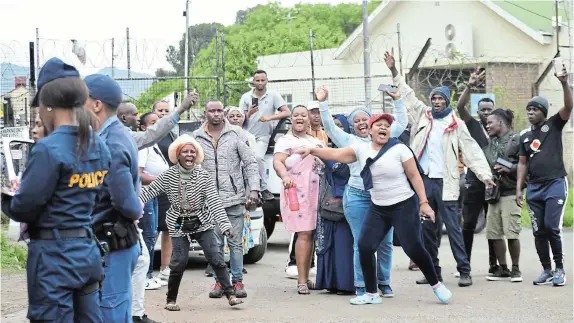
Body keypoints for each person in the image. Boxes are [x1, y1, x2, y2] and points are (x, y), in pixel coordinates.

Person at [294, 111, 453, 305]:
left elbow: (414, 176)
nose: (383, 127)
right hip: (379, 207)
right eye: (378, 125)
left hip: (403, 205)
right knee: (365, 246)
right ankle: (371, 293)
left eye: (387, 125)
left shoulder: (399, 149)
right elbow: (335, 154)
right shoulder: (361, 150)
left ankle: (437, 285)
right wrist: (312, 150)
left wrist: (424, 203)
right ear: (369, 131)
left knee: (414, 248)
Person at [1, 57, 110, 322]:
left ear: (47, 105)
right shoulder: (99, 146)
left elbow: (24, 208)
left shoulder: (48, 149)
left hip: (54, 258)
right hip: (86, 252)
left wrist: (7, 196)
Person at [385, 48, 494, 287]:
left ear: (446, 101)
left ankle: (464, 271)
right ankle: (433, 271)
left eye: (440, 99)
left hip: (446, 183)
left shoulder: (454, 123)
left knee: (453, 230)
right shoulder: (424, 116)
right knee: (428, 231)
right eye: (433, 98)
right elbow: (407, 94)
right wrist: (393, 69)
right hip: (424, 183)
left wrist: (485, 175)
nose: (436, 102)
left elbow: (472, 150)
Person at [314, 85, 408, 298]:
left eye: (364, 119)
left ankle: (384, 282)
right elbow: (328, 126)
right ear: (352, 126)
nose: (360, 123)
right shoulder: (349, 141)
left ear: (373, 122)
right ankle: (362, 285)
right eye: (355, 121)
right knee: (362, 242)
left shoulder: (384, 137)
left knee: (385, 242)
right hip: (357, 196)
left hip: (384, 196)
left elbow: (401, 123)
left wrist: (398, 99)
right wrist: (323, 102)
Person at [139, 134, 243, 310]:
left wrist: (225, 226)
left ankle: (231, 294)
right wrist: (133, 205)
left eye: (192, 152)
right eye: (185, 152)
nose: (189, 155)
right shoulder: (168, 175)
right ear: (178, 155)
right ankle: (171, 300)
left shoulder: (203, 176)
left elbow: (214, 202)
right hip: (178, 222)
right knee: (178, 262)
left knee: (216, 258)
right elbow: (148, 192)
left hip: (203, 221)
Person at [84, 74, 143, 321]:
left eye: (80, 101)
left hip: (114, 241)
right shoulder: (112, 135)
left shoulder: (111, 143)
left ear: (96, 105)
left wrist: (136, 210)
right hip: (114, 240)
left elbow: (125, 203)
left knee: (112, 312)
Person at [192, 100, 260, 299]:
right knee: (215, 245)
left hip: (234, 198)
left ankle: (237, 281)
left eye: (219, 110)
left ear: (224, 112)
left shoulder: (237, 134)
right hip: (209, 201)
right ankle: (221, 282)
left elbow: (250, 163)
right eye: (211, 110)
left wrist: (253, 189)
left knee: (235, 243)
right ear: (205, 113)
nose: (216, 114)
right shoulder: (197, 137)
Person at [516, 66, 572, 286]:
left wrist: (564, 83)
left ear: (544, 112)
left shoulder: (554, 125)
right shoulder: (525, 136)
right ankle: (547, 269)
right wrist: (520, 188)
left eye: (535, 109)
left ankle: (559, 268)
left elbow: (569, 106)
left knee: (551, 226)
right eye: (528, 109)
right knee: (538, 231)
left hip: (555, 183)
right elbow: (522, 163)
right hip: (535, 188)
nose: (530, 112)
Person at [273, 104, 325, 295]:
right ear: (292, 119)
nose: (300, 118)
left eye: (304, 115)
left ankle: (309, 276)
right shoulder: (285, 140)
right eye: (296, 115)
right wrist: (284, 176)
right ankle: (301, 281)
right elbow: (277, 161)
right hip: (298, 191)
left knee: (311, 234)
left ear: (309, 118)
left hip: (319, 191)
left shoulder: (315, 140)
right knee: (304, 233)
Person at [456, 67, 499, 276]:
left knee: (493, 227)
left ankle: (494, 265)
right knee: (469, 224)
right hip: (474, 182)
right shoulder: (471, 125)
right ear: (477, 111)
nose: (486, 113)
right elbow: (459, 106)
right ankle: (464, 265)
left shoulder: (501, 128)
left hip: (494, 184)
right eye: (482, 109)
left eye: (489, 109)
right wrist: (469, 86)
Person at [314, 113, 354, 295]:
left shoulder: (353, 149)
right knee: (328, 243)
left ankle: (346, 284)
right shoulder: (327, 148)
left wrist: (325, 157)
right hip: (327, 203)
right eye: (333, 126)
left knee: (344, 244)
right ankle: (330, 282)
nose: (336, 130)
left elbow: (340, 170)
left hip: (345, 205)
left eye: (340, 126)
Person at [482, 109, 522, 282]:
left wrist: (510, 168)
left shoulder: (517, 140)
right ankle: (503, 268)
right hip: (493, 194)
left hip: (510, 191)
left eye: (490, 122)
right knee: (494, 232)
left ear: (501, 122)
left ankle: (516, 269)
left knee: (511, 232)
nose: (487, 125)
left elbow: (526, 164)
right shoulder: (490, 143)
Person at [239, 69, 291, 201]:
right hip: (246, 135)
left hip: (263, 135)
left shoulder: (273, 95)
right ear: (253, 81)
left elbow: (287, 112)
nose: (260, 83)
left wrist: (270, 118)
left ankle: (262, 188)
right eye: (258, 80)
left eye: (263, 80)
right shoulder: (246, 97)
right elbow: (238, 118)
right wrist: (248, 113)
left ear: (267, 81)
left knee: (257, 157)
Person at [137, 112, 170, 290]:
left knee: (153, 232)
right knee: (148, 236)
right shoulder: (144, 147)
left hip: (154, 194)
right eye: (153, 123)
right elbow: (139, 174)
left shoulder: (154, 146)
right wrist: (163, 180)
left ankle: (148, 274)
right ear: (143, 128)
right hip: (146, 195)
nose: (158, 126)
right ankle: (146, 275)